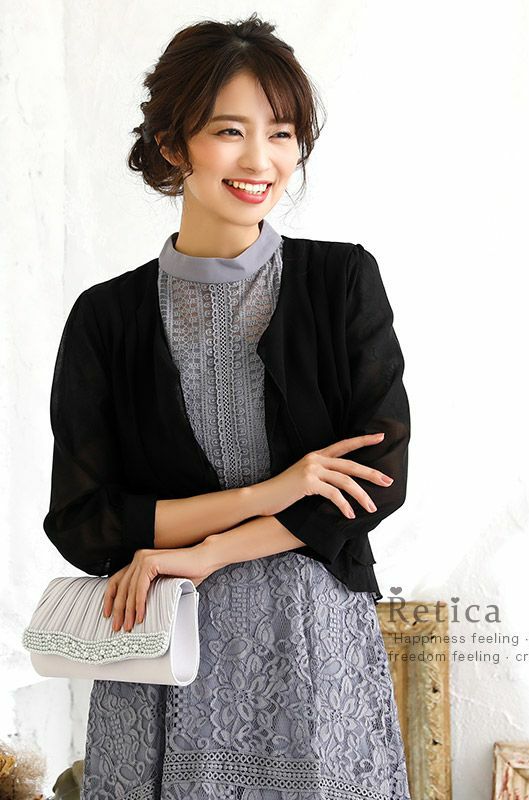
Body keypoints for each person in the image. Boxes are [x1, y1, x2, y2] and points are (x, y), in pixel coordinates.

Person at [42, 14, 411, 799]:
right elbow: (84, 522)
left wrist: (209, 550)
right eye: (229, 132)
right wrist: (264, 494)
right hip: (156, 665)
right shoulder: (106, 318)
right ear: (174, 145)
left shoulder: (341, 283)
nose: (260, 161)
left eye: (282, 134)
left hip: (310, 657)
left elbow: (375, 480)